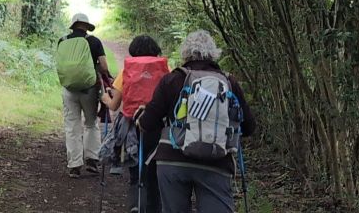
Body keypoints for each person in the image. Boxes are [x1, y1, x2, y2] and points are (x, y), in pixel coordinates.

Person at [138, 30, 257, 213]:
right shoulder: (228, 82)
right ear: (213, 53)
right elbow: (248, 127)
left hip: (172, 160)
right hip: (217, 161)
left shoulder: (172, 79)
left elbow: (148, 123)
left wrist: (140, 120)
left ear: (185, 53)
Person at [102, 36, 168, 213]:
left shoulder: (127, 71)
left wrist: (105, 98)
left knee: (135, 173)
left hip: (132, 126)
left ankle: (135, 205)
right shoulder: (165, 70)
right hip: (158, 126)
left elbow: (114, 105)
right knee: (154, 173)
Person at [56, 13, 114, 178]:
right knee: (90, 123)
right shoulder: (94, 41)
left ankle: (74, 165)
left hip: (68, 88)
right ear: (86, 26)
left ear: (73, 25)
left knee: (72, 126)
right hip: (89, 89)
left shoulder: (63, 41)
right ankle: (92, 160)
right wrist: (108, 77)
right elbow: (103, 65)